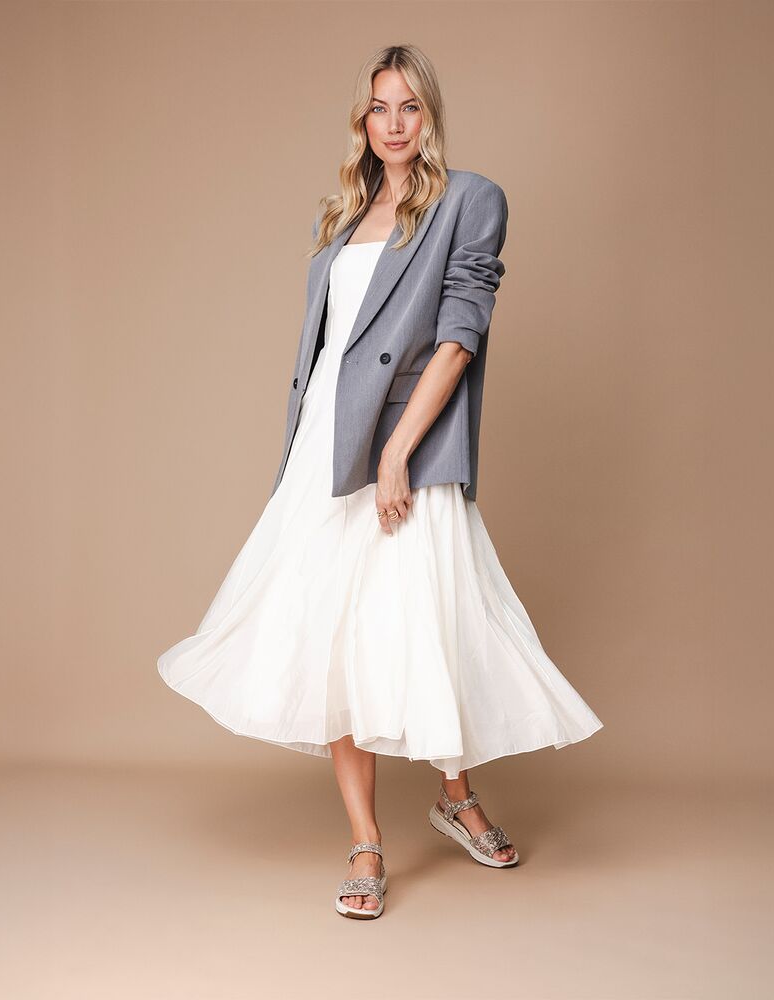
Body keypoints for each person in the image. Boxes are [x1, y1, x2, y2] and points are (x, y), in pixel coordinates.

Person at [157, 43, 603, 920]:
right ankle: (365, 839)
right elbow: (329, 351)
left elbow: (460, 336)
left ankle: (456, 798)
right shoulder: (343, 215)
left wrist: (397, 451)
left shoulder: (470, 200)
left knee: (427, 619)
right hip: (326, 447)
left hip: (406, 444)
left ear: (429, 115)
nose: (393, 124)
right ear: (361, 120)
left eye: (409, 107)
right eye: (378, 108)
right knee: (333, 630)